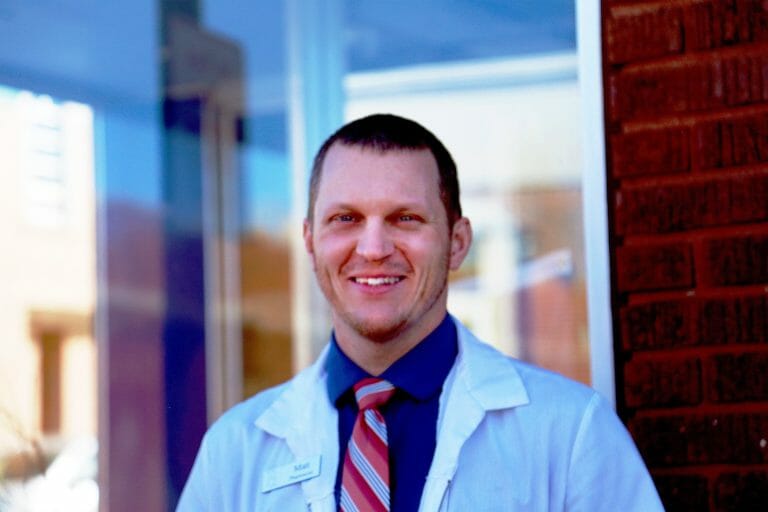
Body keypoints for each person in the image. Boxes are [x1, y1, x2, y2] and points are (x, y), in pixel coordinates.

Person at [177, 114, 664, 511]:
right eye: (345, 219)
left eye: (404, 218)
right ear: (309, 241)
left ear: (456, 243)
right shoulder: (234, 451)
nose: (372, 248)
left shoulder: (571, 433)